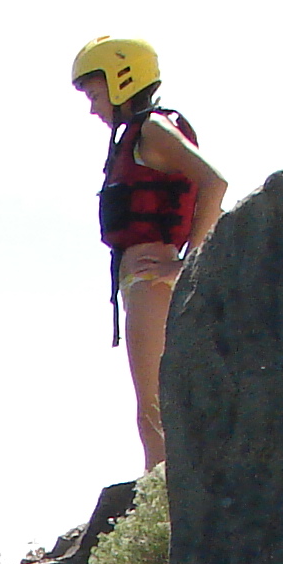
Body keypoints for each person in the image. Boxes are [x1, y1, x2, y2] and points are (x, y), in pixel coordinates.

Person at [71, 36, 227, 470]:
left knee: (153, 412)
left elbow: (215, 183)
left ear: (122, 81)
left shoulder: (153, 129)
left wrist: (188, 263)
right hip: (145, 279)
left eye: (95, 94)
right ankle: (165, 501)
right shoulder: (136, 135)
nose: (92, 107)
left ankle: (162, 510)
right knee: (157, 408)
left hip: (150, 279)